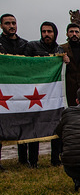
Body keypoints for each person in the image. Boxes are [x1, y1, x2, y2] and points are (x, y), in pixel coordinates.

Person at [25, 21, 70, 168]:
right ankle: (33, 161)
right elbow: (25, 65)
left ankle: (55, 159)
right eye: (44, 32)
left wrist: (64, 62)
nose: (46, 35)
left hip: (53, 94)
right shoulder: (32, 47)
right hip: (35, 92)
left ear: (55, 33)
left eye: (49, 32)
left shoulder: (59, 49)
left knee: (56, 125)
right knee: (35, 126)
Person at [0, 13, 28, 171]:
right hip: (3, 90)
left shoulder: (24, 44)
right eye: (7, 23)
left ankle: (24, 159)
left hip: (21, 90)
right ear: (1, 25)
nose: (11, 26)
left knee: (23, 124)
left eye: (14, 23)